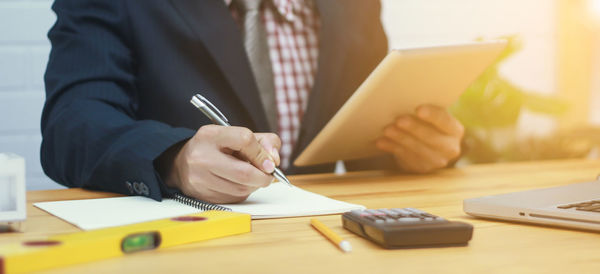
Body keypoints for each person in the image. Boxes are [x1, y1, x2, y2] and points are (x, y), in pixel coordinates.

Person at [41, 0, 464, 204]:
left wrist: (412, 149)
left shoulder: (353, 6)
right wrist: (174, 159)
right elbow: (72, 125)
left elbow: (365, 140)